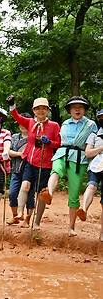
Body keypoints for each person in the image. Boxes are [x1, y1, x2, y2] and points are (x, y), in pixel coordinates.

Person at [38, 96, 97, 236]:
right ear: (69, 110)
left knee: (74, 193)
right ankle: (49, 193)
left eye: (80, 107)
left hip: (79, 158)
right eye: (74, 107)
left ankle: (71, 228)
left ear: (84, 110)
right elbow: (59, 141)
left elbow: (94, 141)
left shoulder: (91, 125)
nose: (77, 109)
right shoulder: (64, 123)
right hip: (62, 152)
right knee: (56, 171)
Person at [8, 96, 61, 229]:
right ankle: (19, 213)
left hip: (45, 165)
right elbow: (17, 117)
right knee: (25, 185)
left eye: (43, 108)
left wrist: (49, 142)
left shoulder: (54, 126)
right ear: (34, 110)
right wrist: (12, 105)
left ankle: (36, 222)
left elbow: (59, 144)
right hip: (30, 162)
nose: (41, 110)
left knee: (41, 195)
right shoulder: (30, 122)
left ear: (48, 110)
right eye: (38, 108)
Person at [7, 113, 35, 225]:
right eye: (20, 123)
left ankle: (27, 219)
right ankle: (16, 216)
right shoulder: (14, 137)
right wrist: (20, 154)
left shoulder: (34, 137)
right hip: (16, 169)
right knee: (12, 193)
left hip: (31, 170)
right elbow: (8, 151)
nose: (22, 125)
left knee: (30, 196)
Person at [82, 108, 103, 242]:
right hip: (96, 166)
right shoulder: (94, 134)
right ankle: (83, 209)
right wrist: (101, 148)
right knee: (91, 186)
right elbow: (88, 153)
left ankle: (102, 234)